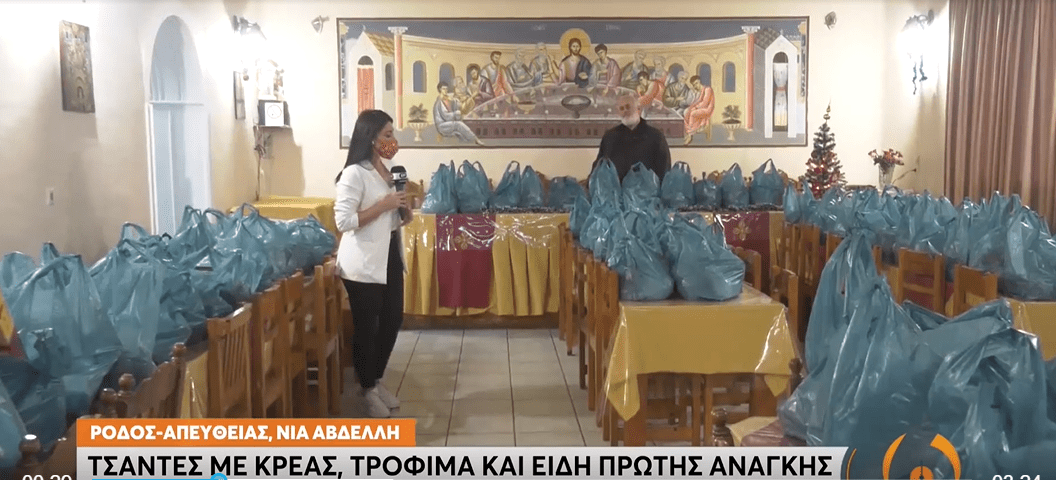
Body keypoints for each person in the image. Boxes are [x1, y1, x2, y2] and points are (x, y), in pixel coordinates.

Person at [334, 109, 411, 418]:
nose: (393, 141)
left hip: (389, 254)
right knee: (368, 327)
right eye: (387, 135)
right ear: (371, 138)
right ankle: (366, 389)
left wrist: (403, 209)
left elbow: (391, 216)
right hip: (362, 263)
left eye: (393, 134)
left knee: (393, 319)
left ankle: (375, 380)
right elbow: (343, 222)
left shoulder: (388, 171)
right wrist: (383, 205)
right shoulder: (354, 174)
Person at [591, 93, 671, 182]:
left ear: (638, 109)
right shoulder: (609, 137)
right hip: (616, 189)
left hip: (647, 189)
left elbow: (664, 170)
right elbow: (599, 166)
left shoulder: (656, 136)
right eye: (622, 108)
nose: (625, 111)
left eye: (628, 107)